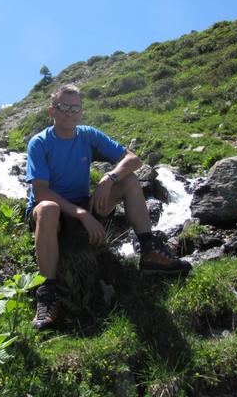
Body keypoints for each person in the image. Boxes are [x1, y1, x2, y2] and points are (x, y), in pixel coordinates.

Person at [25, 84, 191, 330]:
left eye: (75, 108)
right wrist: (82, 214)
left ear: (81, 112)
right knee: (48, 208)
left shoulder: (88, 135)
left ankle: (150, 250)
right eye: (63, 107)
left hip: (83, 203)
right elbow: (40, 192)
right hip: (51, 214)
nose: (69, 113)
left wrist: (109, 178)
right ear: (52, 111)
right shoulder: (39, 143)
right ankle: (48, 292)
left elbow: (133, 160)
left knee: (129, 180)